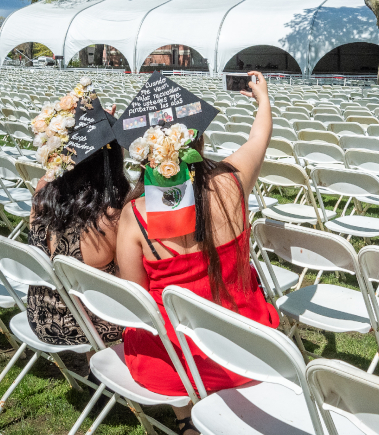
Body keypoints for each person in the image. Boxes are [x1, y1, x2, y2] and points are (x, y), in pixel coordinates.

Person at [115, 71, 276, 435]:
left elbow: (137, 296)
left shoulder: (134, 215)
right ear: (197, 141)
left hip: (174, 363)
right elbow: (259, 137)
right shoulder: (232, 183)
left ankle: (186, 418)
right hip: (245, 350)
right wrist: (262, 99)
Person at [28, 77, 130, 350]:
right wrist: (104, 138)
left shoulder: (42, 192)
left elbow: (64, 168)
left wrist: (94, 134)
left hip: (41, 315)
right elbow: (133, 282)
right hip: (97, 325)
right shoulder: (114, 214)